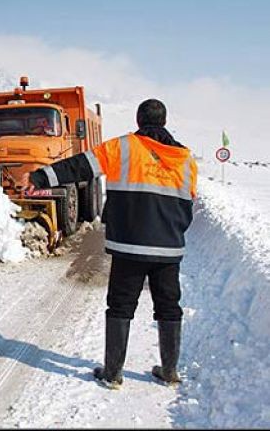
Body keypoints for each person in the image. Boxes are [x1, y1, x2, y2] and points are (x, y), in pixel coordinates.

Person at [26, 99, 197, 389]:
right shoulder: (186, 158)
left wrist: (42, 176)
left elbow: (81, 167)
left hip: (130, 246)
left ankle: (113, 374)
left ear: (139, 120)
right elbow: (187, 202)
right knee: (169, 308)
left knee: (120, 307)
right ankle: (170, 372)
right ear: (164, 121)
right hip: (169, 248)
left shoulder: (123, 148)